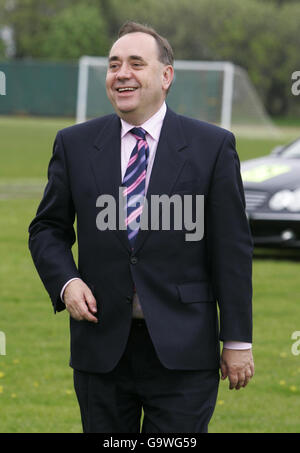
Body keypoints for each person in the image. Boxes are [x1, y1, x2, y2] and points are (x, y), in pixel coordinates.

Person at [28, 21, 254, 433]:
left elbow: (232, 249)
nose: (122, 73)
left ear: (166, 76)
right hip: (101, 349)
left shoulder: (212, 146)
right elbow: (47, 229)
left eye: (136, 63)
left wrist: (237, 341)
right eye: (114, 65)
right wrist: (66, 282)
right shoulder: (74, 144)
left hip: (185, 351)